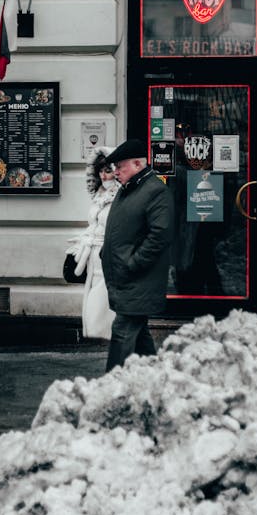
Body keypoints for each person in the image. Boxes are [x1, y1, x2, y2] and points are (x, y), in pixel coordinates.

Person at [101, 137, 174, 372]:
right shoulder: (129, 189)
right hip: (126, 277)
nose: (116, 173)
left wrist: (133, 263)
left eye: (120, 167)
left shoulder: (155, 191)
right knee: (139, 335)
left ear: (137, 164)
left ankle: (110, 388)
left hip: (138, 278)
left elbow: (160, 235)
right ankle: (155, 378)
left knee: (123, 330)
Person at [64, 147, 119, 340]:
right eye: (101, 171)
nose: (104, 176)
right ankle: (96, 337)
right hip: (92, 258)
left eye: (108, 170)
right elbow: (93, 224)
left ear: (116, 170)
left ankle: (104, 338)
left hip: (108, 256)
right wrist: (81, 243)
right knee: (93, 299)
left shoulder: (121, 196)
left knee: (102, 302)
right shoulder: (99, 195)